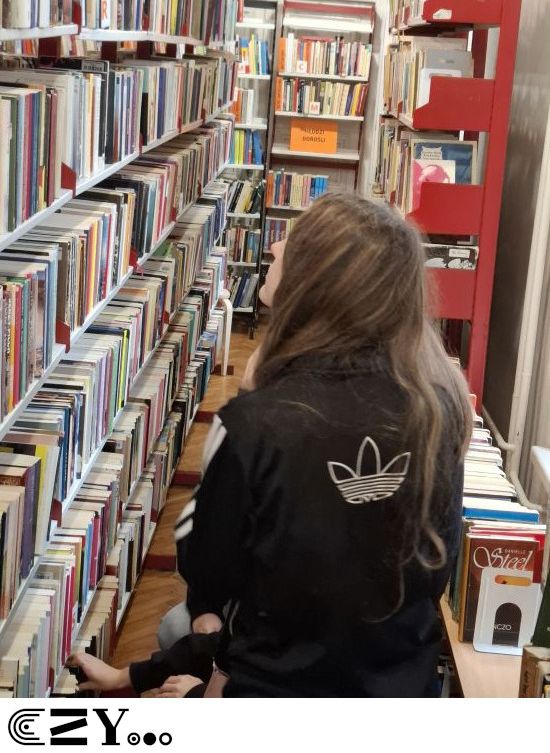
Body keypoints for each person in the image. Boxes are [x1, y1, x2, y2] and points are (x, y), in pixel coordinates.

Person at [71, 193, 472, 697]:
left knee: (177, 636)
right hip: (399, 692)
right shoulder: (440, 412)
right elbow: (432, 574)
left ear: (317, 280)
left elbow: (208, 573)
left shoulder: (255, 423)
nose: (276, 246)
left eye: (294, 242)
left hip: (270, 693)